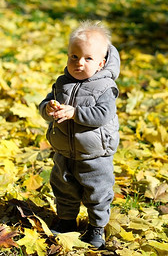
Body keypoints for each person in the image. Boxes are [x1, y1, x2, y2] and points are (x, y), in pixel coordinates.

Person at [39, 20, 120, 248]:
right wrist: (48, 108)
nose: (79, 63)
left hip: (95, 155)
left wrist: (75, 113)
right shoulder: (62, 83)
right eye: (73, 57)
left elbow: (103, 114)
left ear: (101, 63)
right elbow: (45, 103)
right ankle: (66, 221)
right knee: (63, 187)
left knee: (98, 193)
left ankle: (96, 228)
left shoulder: (105, 87)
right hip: (64, 152)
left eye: (87, 58)